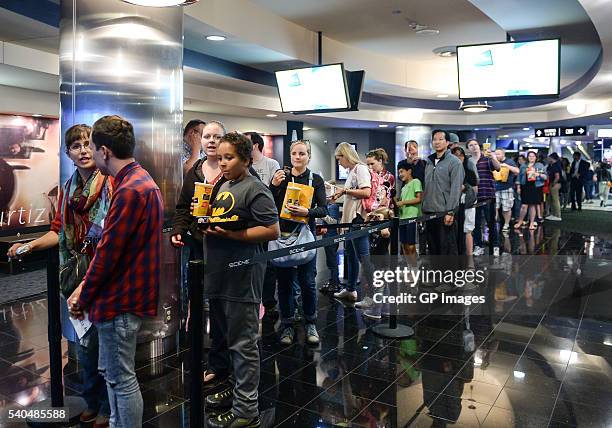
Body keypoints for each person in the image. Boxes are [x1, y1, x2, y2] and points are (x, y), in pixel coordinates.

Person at [8, 124, 112, 428]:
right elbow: (57, 230)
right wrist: (29, 245)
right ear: (67, 152)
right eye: (75, 146)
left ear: (98, 149)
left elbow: (109, 234)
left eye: (87, 145)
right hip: (72, 276)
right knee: (83, 346)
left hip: (101, 276)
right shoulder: (68, 189)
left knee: (104, 348)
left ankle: (107, 407)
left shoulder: (109, 185)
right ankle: (93, 402)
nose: (82, 151)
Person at [67, 115, 163, 428]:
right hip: (124, 297)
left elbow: (108, 253)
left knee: (121, 379)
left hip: (119, 301)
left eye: (93, 148)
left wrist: (83, 293)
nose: (90, 154)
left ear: (105, 151)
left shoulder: (130, 190)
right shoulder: (139, 181)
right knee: (115, 376)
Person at [202, 132, 279, 428]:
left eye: (229, 158)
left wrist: (234, 235)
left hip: (243, 278)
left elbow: (272, 230)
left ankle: (246, 410)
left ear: (246, 159)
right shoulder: (224, 184)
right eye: (220, 158)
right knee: (229, 341)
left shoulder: (255, 189)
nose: (222, 163)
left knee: (243, 344)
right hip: (220, 275)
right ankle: (237, 394)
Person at [171, 120, 230, 388]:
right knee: (195, 298)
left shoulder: (234, 172)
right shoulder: (194, 171)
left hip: (223, 246)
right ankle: (196, 353)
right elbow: (183, 207)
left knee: (220, 305)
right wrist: (179, 229)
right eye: (207, 136)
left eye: (217, 137)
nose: (211, 141)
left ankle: (221, 363)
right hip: (196, 245)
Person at [269, 140, 327, 346]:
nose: (297, 157)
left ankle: (310, 322)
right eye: (294, 153)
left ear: (308, 156)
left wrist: (308, 212)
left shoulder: (315, 180)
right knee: (283, 283)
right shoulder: (281, 178)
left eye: (302, 153)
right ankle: (287, 325)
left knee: (308, 283)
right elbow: (270, 204)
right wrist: (273, 186)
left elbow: (324, 209)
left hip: (305, 234)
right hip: (282, 236)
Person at [244, 131, 281, 318]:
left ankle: (268, 300)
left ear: (256, 145)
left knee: (268, 263)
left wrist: (272, 186)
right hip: (248, 222)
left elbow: (272, 194)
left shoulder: (271, 164)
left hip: (266, 220)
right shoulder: (244, 165)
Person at [331, 142, 372, 302]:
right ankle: (350, 289)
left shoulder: (360, 169)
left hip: (357, 219)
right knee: (351, 254)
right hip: (350, 219)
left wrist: (345, 191)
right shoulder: (352, 171)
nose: (339, 162)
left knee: (364, 257)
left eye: (339, 158)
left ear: (345, 155)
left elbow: (366, 191)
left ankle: (373, 295)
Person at [422, 130, 464, 255]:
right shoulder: (429, 162)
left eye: (440, 139)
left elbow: (456, 189)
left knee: (447, 250)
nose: (437, 142)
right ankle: (437, 274)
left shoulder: (454, 162)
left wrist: (450, 212)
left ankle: (449, 275)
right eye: (435, 139)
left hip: (445, 212)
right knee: (433, 249)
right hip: (429, 212)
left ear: (447, 143)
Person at [467, 139, 500, 256]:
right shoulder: (468, 161)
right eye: (471, 145)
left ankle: (495, 245)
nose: (474, 147)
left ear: (479, 146)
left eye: (475, 144)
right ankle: (478, 246)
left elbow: (498, 168)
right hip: (474, 197)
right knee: (475, 223)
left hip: (488, 194)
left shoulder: (486, 158)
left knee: (491, 222)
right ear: (468, 148)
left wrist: (493, 157)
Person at [451, 147, 478, 256]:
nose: (458, 157)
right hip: (452, 205)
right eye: (455, 155)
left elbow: (475, 188)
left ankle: (469, 256)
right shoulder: (449, 171)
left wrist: (464, 188)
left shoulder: (469, 172)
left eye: (460, 155)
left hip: (468, 204)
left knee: (467, 229)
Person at [395, 160, 422, 256]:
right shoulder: (403, 188)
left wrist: (403, 202)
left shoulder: (416, 182)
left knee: (411, 245)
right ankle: (410, 268)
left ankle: (414, 269)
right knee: (404, 245)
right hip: (402, 218)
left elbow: (419, 199)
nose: (400, 174)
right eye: (399, 172)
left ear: (409, 171)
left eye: (402, 171)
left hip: (412, 218)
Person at [515, 151, 547, 230]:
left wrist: (538, 174)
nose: (531, 158)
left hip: (536, 186)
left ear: (536, 157)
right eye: (530, 156)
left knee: (533, 205)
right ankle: (520, 221)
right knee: (524, 205)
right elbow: (519, 177)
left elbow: (545, 177)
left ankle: (532, 223)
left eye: (533, 156)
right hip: (525, 186)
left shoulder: (539, 165)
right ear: (527, 157)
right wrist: (518, 187)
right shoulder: (523, 166)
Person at [318, 181, 341, 294]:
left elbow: (334, 221)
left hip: (332, 237)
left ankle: (335, 283)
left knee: (332, 261)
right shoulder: (328, 206)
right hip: (327, 236)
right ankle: (333, 280)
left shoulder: (333, 206)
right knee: (330, 261)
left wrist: (322, 214)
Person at [493, 148, 519, 233]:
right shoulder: (493, 161)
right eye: (495, 154)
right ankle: (493, 225)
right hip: (495, 188)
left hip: (506, 188)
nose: (497, 156)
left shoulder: (509, 161)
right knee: (495, 207)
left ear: (503, 154)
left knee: (506, 208)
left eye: (498, 154)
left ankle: (506, 224)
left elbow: (517, 171)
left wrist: (507, 166)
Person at [545, 152, 563, 221]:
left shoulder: (556, 166)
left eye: (549, 158)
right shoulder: (551, 165)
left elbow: (557, 176)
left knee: (555, 199)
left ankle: (558, 215)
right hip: (552, 183)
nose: (548, 159)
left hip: (555, 184)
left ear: (552, 158)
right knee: (551, 199)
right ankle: (553, 214)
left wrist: (554, 183)